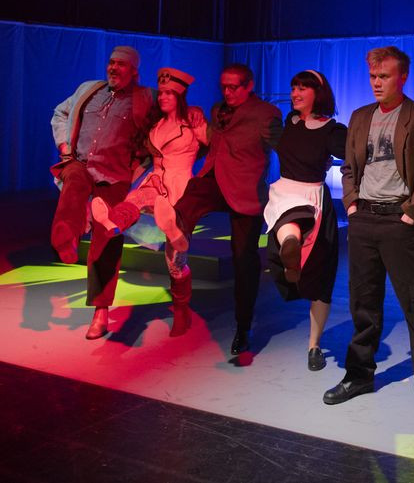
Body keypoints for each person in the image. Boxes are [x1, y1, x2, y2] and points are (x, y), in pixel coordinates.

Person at [322, 46, 414, 424]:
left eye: (385, 76)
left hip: (400, 220)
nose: (377, 83)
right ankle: (359, 375)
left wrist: (411, 214)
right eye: (373, 76)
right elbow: (348, 168)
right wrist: (351, 206)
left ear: (402, 77)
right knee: (363, 304)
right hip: (364, 221)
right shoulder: (360, 117)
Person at [162, 63, 282, 356]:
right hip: (215, 179)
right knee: (192, 195)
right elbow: (209, 141)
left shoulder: (266, 114)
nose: (227, 92)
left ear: (249, 86)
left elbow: (285, 147)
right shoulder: (217, 110)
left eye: (233, 87)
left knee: (243, 260)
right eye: (223, 87)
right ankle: (178, 231)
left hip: (245, 190)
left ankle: (243, 328)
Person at [90, 67, 208, 337]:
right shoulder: (155, 125)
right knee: (136, 199)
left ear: (180, 96)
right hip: (155, 180)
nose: (163, 97)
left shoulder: (193, 122)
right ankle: (112, 222)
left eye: (169, 93)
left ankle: (181, 310)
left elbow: (214, 148)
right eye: (161, 93)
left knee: (175, 263)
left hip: (180, 187)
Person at [49, 45, 154, 339]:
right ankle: (66, 240)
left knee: (106, 238)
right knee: (73, 181)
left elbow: (171, 115)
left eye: (121, 64)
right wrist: (64, 144)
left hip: (115, 175)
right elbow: (60, 112)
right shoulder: (89, 89)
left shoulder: (145, 98)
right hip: (81, 163)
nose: (113, 68)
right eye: (111, 62)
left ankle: (101, 311)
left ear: (134, 71)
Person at [262, 69, 347, 371]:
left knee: (321, 279)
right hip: (285, 192)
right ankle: (291, 249)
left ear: (318, 94)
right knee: (289, 221)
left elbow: (357, 153)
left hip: (313, 198)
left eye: (303, 88)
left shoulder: (332, 130)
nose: (295, 93)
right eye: (293, 87)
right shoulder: (290, 122)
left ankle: (314, 345)